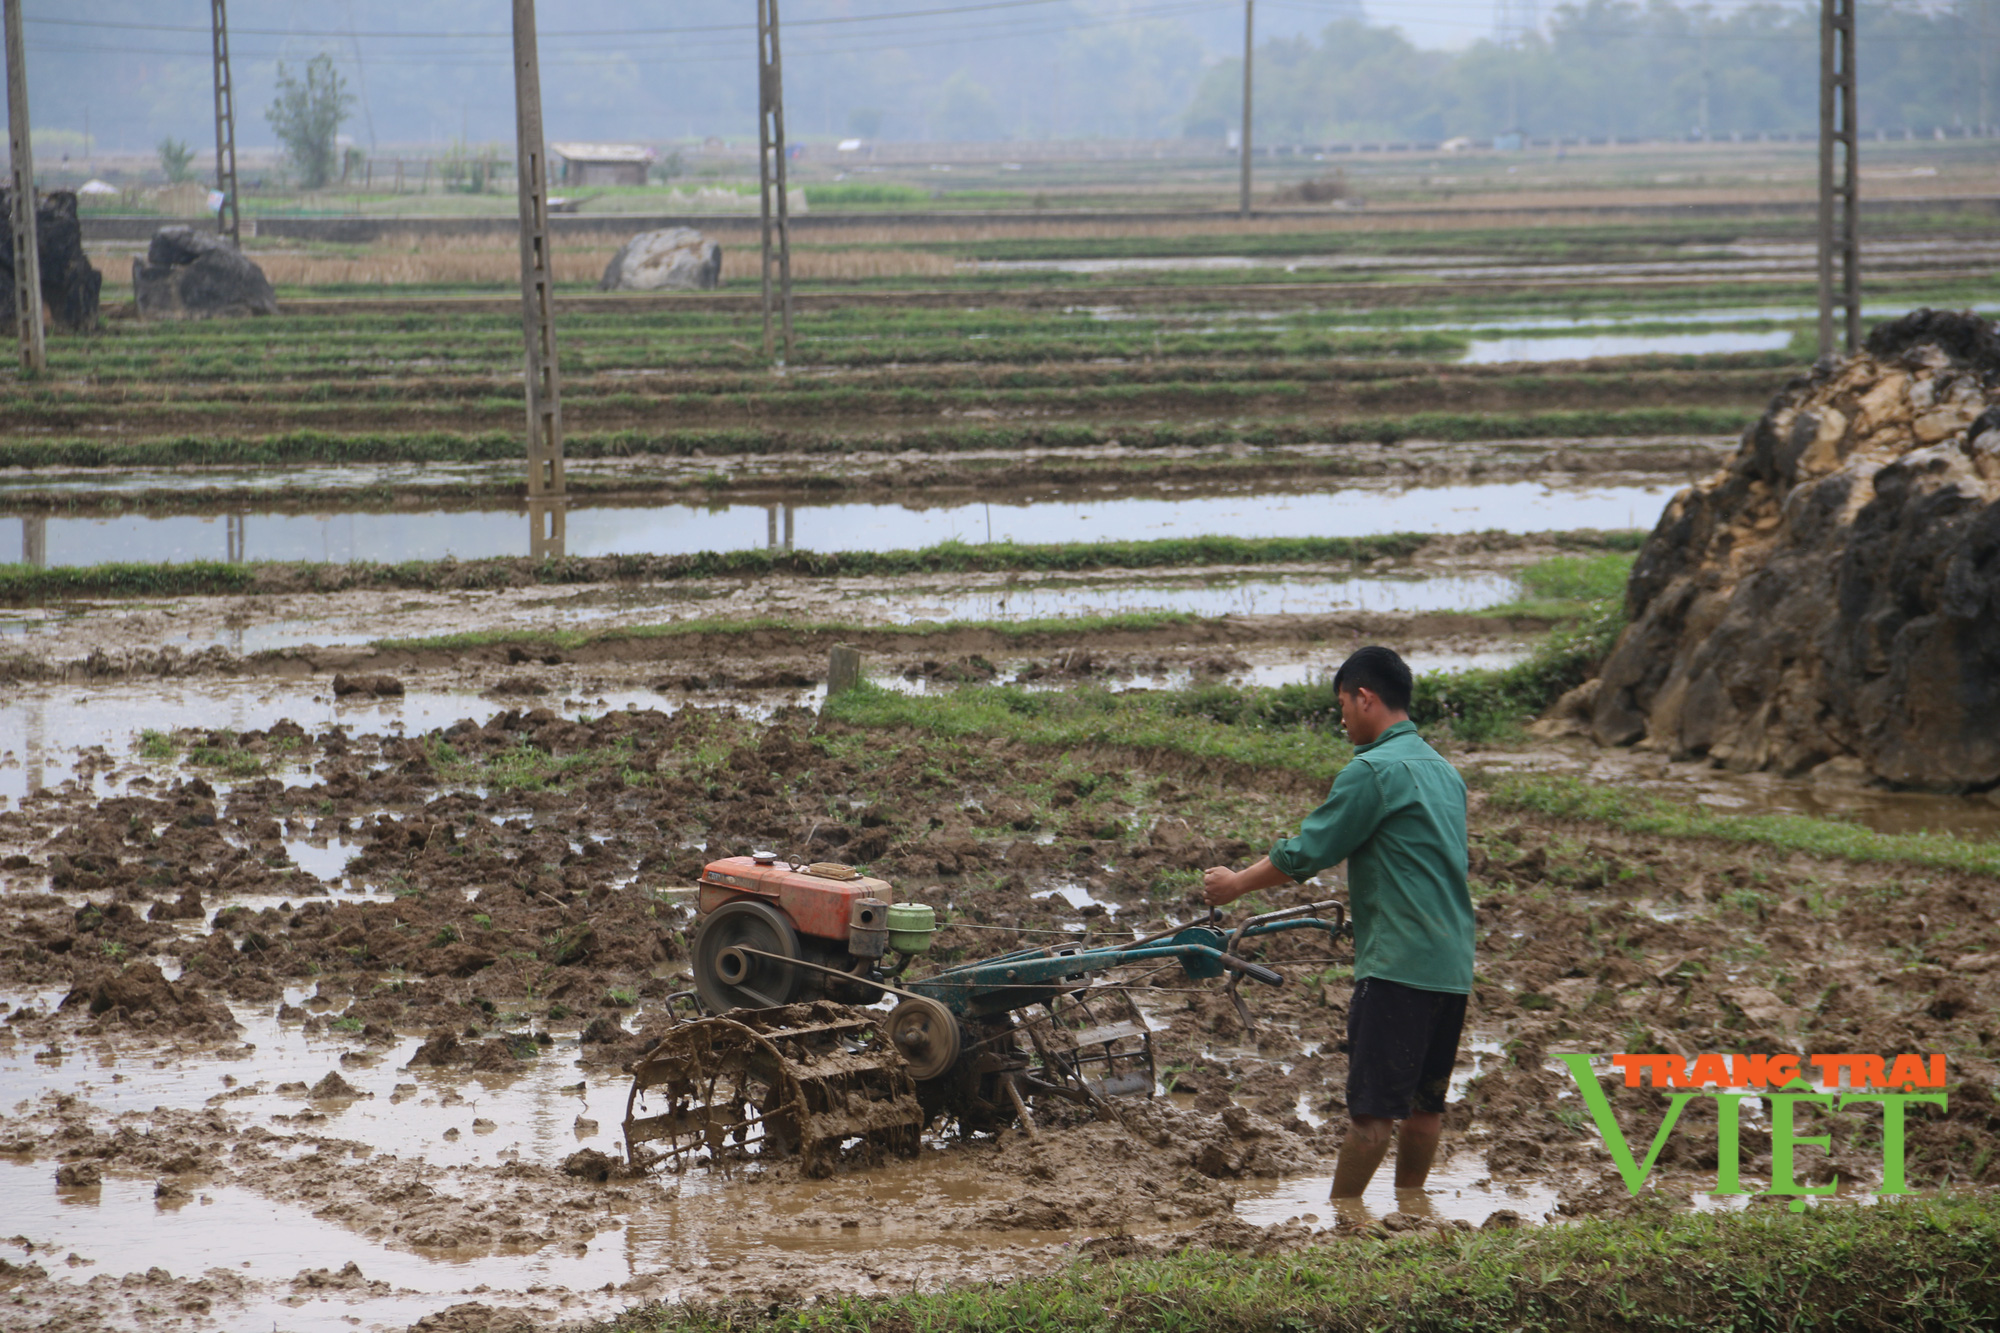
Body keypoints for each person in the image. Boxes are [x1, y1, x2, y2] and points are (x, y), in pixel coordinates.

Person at [1202, 645, 1473, 1202]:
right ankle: (1409, 1216)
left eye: (1343, 704)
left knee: (1371, 1116)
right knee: (1425, 1110)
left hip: (1398, 965)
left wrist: (1235, 885)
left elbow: (1307, 853)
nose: (1341, 716)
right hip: (1451, 965)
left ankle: (1342, 1222)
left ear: (1365, 697)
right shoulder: (1445, 773)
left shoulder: (1372, 770)